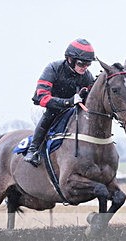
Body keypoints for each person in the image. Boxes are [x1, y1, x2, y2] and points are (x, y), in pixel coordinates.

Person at [23, 38, 97, 167]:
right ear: (70, 59)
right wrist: (68, 102)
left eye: (88, 64)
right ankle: (33, 150)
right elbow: (42, 97)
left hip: (70, 109)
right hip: (45, 106)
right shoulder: (53, 68)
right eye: (81, 64)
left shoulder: (87, 76)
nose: (84, 68)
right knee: (51, 114)